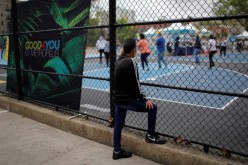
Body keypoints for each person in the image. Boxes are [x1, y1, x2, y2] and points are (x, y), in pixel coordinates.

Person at [112, 38, 166, 160]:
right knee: (153, 108)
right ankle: (150, 136)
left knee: (118, 125)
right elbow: (136, 85)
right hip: (127, 100)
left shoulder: (117, 61)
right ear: (133, 50)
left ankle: (117, 151)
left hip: (117, 99)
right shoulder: (131, 62)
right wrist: (145, 100)